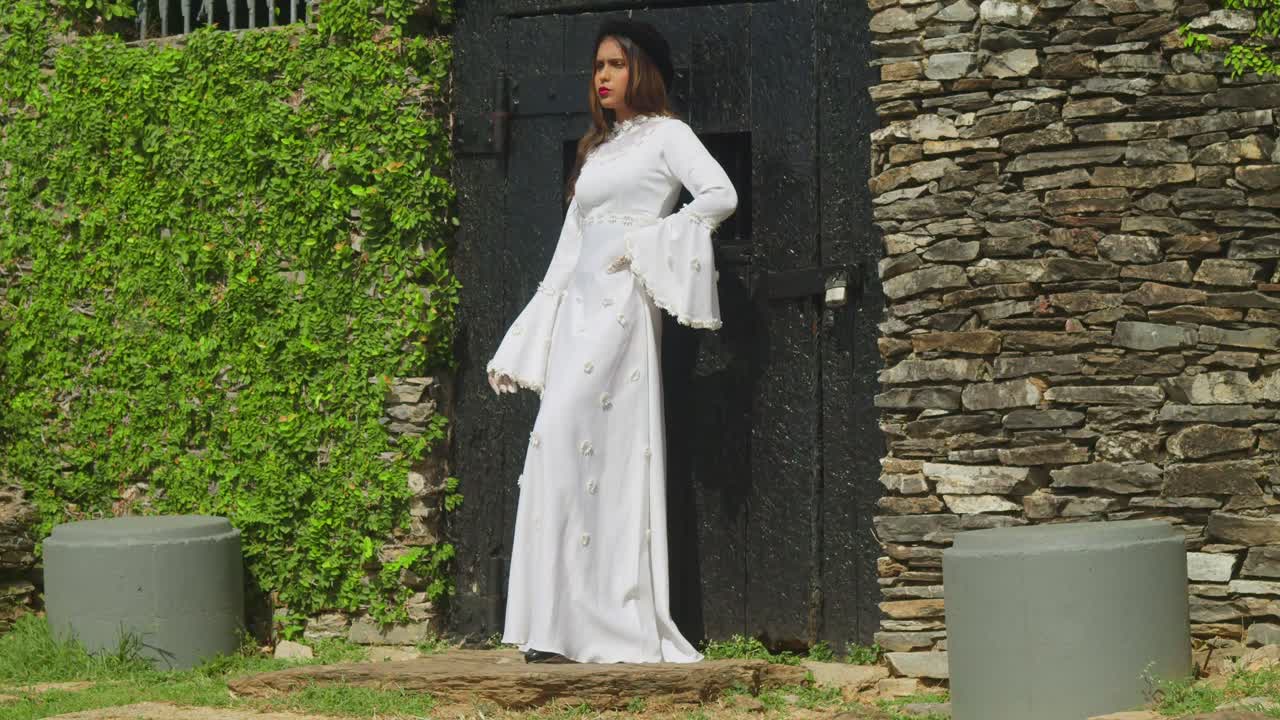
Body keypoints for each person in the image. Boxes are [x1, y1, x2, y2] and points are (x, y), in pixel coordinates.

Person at [485, 18, 738, 664]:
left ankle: (603, 619)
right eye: (597, 66)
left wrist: (648, 244)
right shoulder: (596, 150)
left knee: (597, 452)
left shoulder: (669, 136)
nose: (601, 76)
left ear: (641, 71)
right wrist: (527, 337)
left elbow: (720, 194)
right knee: (553, 448)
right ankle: (555, 625)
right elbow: (568, 249)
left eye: (614, 65)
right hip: (576, 312)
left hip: (622, 312)